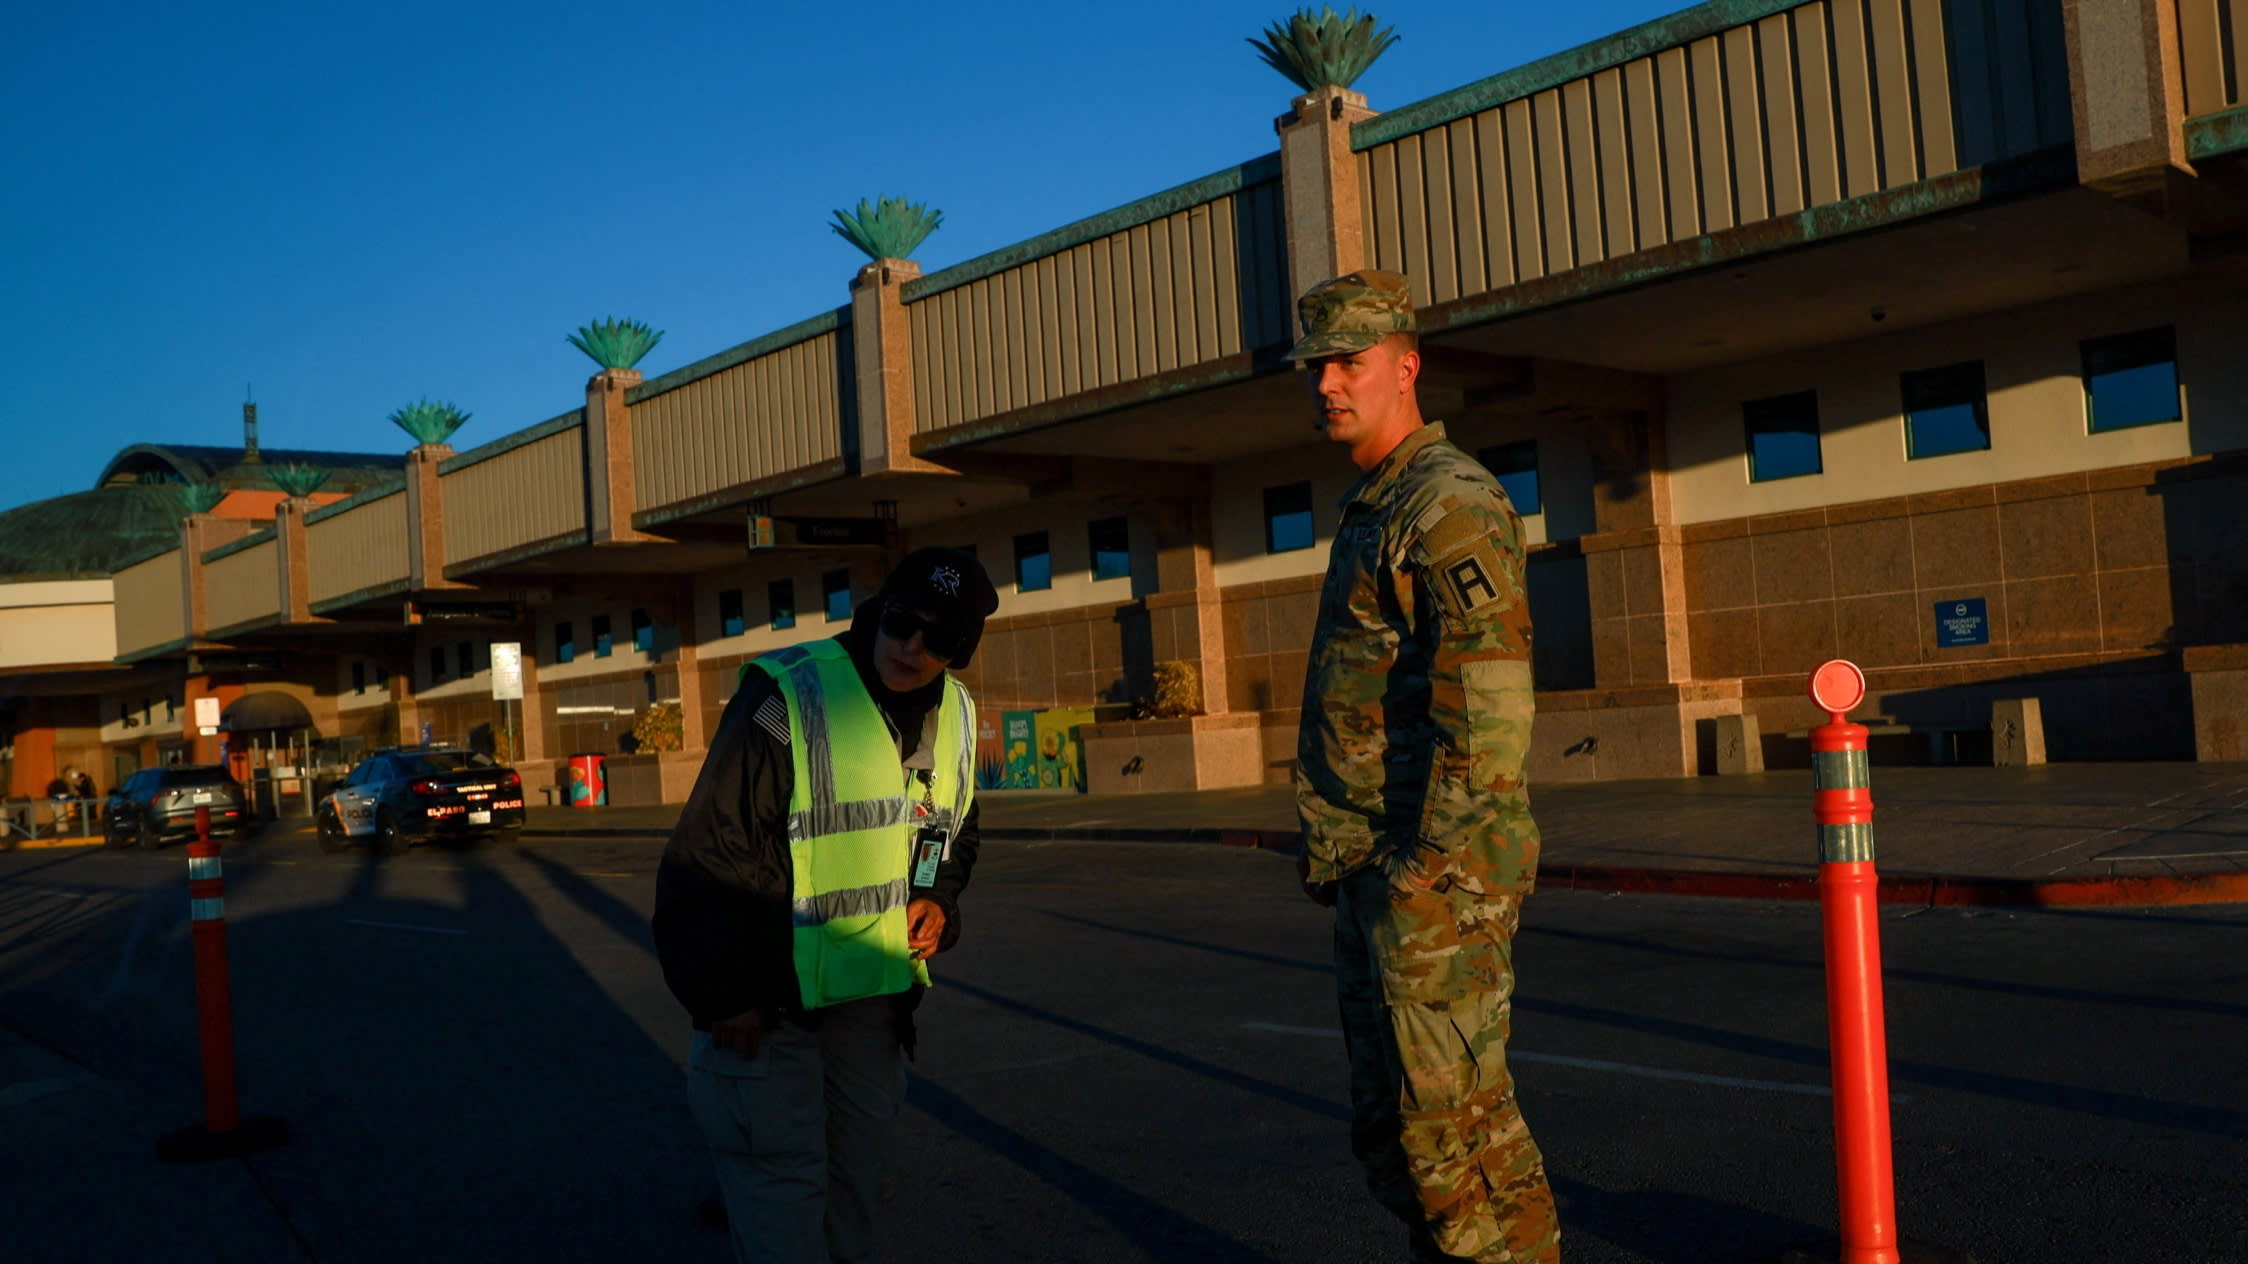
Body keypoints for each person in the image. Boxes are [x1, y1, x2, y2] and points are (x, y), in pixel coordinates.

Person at [1288, 269, 1560, 1263]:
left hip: (1433, 880)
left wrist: (1422, 869)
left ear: (1406, 367)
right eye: (1315, 366)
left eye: (1347, 362)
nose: (1326, 383)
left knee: (1462, 1146)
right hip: (1377, 869)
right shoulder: (1377, 504)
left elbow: (1489, 715)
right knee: (1401, 1144)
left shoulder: (1447, 503)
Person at [653, 547, 999, 1264]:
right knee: (781, 1197)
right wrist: (726, 995)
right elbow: (713, 847)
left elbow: (950, 828)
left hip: (871, 1006)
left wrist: (936, 898)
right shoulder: (789, 695)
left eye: (938, 639)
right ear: (879, 610)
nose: (911, 647)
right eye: (902, 622)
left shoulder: (958, 715)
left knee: (857, 1192)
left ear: (961, 651)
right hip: (768, 1005)